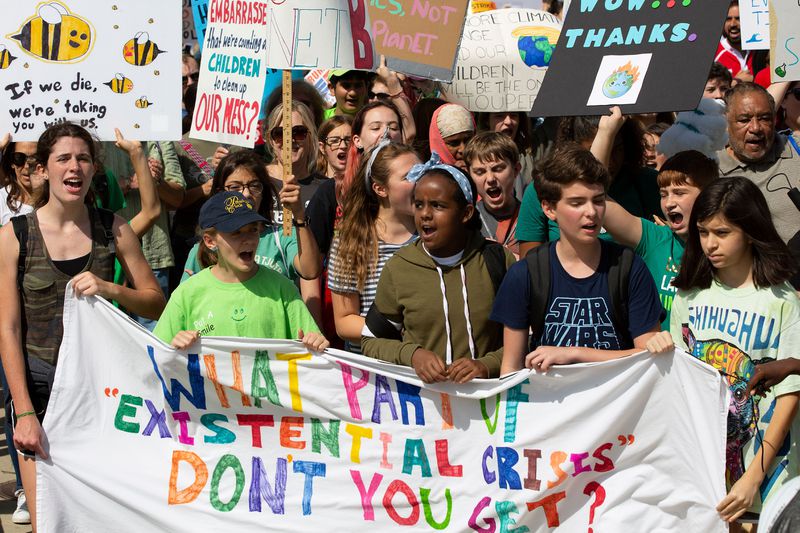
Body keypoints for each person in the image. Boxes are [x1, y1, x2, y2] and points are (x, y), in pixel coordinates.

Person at [0, 123, 165, 531]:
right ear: (42, 169)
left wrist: (111, 288)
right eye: (64, 159)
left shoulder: (115, 228)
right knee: (48, 523)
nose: (75, 167)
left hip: (102, 396)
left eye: (84, 158)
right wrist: (23, 412)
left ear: (94, 168)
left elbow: (154, 300)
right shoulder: (15, 235)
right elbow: (7, 329)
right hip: (41, 395)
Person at [645, 177, 800, 528]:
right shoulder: (689, 295)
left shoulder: (782, 300)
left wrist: (755, 477)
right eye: (703, 232)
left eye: (722, 232)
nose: (710, 244)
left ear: (749, 230)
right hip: (703, 471)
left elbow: (790, 396)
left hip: (771, 473)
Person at [491, 144, 664, 375]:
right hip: (552, 405)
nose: (591, 212)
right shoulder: (526, 273)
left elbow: (649, 356)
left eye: (598, 200)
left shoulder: (629, 267)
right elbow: (510, 369)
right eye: (577, 203)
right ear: (549, 209)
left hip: (619, 403)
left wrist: (573, 353)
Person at [361, 155, 514, 382]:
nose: (425, 214)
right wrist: (412, 355)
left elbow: (528, 337)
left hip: (490, 407)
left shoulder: (497, 259)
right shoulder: (400, 267)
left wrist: (487, 365)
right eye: (419, 204)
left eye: (438, 206)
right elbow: (370, 341)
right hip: (427, 409)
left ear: (466, 213)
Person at [155, 190, 327, 352]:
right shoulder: (187, 293)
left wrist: (316, 342)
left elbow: (313, 345)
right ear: (210, 241)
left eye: (253, 230)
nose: (248, 240)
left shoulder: (282, 288)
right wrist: (173, 345)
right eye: (236, 233)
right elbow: (155, 354)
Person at [592, 109, 719, 328]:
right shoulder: (655, 239)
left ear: (708, 194)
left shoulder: (728, 246)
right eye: (663, 194)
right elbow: (594, 194)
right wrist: (606, 131)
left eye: (679, 193)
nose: (669, 203)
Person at [302, 101, 405, 339]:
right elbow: (311, 269)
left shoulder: (419, 194)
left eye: (393, 126)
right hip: (363, 345)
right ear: (357, 140)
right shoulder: (333, 193)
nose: (386, 134)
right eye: (376, 127)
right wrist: (315, 326)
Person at [517, 113, 662, 256]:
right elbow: (529, 263)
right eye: (598, 148)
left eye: (616, 149)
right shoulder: (543, 187)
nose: (610, 161)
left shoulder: (647, 182)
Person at [327, 142, 420, 353]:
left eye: (422, 173)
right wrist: (404, 334)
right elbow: (344, 322)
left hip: (426, 369)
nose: (420, 182)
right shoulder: (350, 241)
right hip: (372, 372)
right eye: (408, 177)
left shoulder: (433, 235)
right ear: (380, 189)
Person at [180, 150, 321, 283]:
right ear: (219, 192)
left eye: (254, 186)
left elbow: (310, 271)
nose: (246, 194)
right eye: (235, 187)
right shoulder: (205, 247)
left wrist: (299, 216)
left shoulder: (281, 238)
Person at [716, 82, 800, 285]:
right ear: (726, 123)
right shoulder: (710, 170)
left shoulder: (796, 150)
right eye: (744, 120)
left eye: (764, 118)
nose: (755, 128)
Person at [263, 100, 327, 225]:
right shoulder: (256, 180)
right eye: (279, 133)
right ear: (271, 140)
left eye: (298, 132)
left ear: (311, 137)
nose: (289, 139)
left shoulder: (325, 189)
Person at [464, 132, 522, 257]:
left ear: (516, 169)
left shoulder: (532, 217)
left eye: (498, 169)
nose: (490, 179)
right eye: (480, 172)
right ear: (469, 175)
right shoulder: (466, 221)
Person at [477, 111, 534, 199]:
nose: (508, 121)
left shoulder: (531, 153)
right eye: (499, 116)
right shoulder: (475, 156)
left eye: (513, 115)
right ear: (487, 120)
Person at [0, 136, 44, 225]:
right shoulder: (1, 199)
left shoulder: (58, 200)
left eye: (35, 158)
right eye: (19, 158)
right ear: (11, 162)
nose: (27, 166)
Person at [429, 103, 475, 172]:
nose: (463, 149)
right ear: (439, 144)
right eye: (454, 143)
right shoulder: (431, 179)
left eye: (468, 140)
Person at [714, 1, 753, 80]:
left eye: (738, 18)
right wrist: (736, 81)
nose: (733, 24)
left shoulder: (760, 52)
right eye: (728, 19)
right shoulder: (714, 54)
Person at [316, 115, 352, 179]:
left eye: (348, 140)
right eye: (335, 141)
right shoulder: (312, 186)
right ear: (322, 147)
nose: (343, 146)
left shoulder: (365, 184)